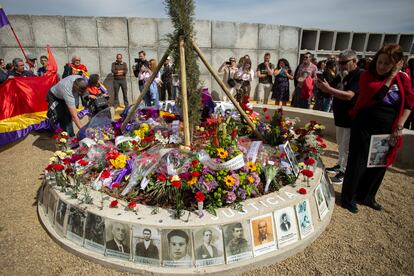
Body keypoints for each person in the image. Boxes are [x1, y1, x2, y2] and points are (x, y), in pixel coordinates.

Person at [341, 44, 414, 213]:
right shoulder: (367, 76)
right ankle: (348, 197)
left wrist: (400, 125)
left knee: (379, 163)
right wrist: (391, 76)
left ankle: (366, 196)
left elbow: (409, 104)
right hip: (364, 125)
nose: (381, 66)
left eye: (386, 64)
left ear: (396, 63)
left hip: (388, 127)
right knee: (358, 162)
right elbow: (378, 94)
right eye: (379, 62)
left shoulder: (403, 79)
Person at [317, 49, 362, 185]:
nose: (341, 65)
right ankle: (340, 165)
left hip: (350, 118)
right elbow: (330, 86)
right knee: (341, 145)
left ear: (354, 61)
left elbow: (349, 95)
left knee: (347, 146)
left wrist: (328, 89)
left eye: (344, 62)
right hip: (340, 116)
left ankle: (344, 171)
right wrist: (321, 84)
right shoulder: (342, 74)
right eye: (339, 63)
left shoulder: (359, 75)